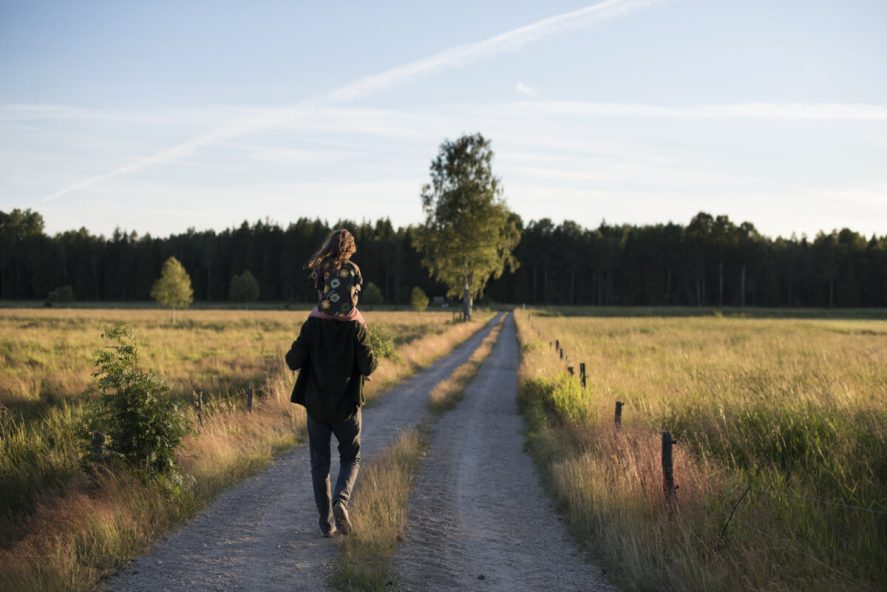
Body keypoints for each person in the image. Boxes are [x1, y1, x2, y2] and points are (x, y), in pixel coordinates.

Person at [284, 242, 378, 538]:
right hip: (347, 407)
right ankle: (341, 501)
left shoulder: (312, 324)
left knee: (319, 466)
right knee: (351, 458)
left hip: (317, 407)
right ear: (353, 291)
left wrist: (303, 347)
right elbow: (369, 366)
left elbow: (292, 361)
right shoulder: (356, 327)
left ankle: (326, 525)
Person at [305, 229, 367, 326]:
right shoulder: (354, 268)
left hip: (325, 312)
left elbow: (320, 294)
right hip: (348, 314)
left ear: (330, 246)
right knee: (364, 327)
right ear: (351, 248)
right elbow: (355, 297)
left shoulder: (323, 266)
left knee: (308, 324)